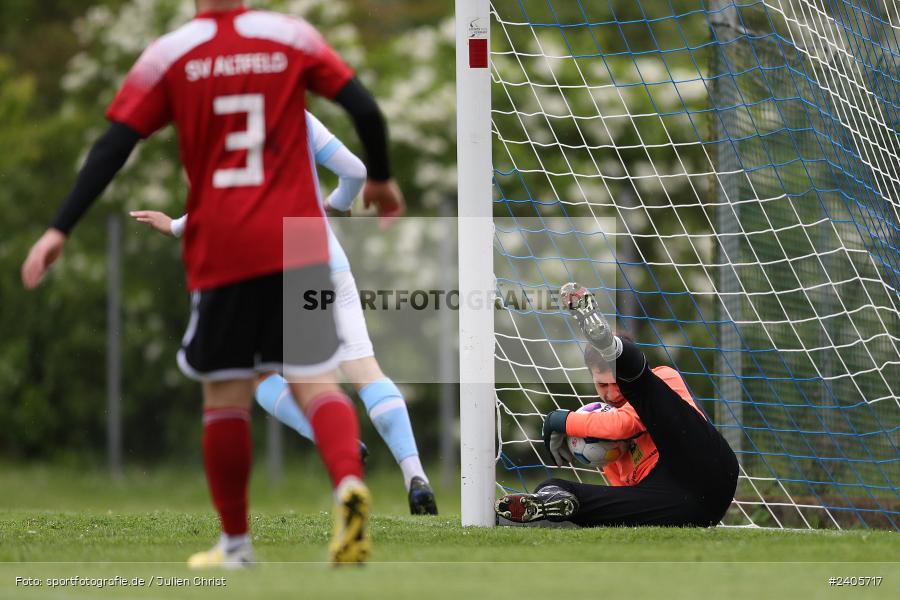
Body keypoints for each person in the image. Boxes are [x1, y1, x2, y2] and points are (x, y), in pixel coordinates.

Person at [21, 0, 405, 566]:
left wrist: (59, 228)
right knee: (318, 384)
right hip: (299, 243)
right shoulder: (291, 36)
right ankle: (348, 486)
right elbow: (366, 109)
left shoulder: (172, 53)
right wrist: (381, 178)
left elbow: (114, 146)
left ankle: (236, 546)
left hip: (223, 245)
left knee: (225, 397)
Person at [131, 110, 438, 515]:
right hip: (327, 260)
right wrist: (336, 204)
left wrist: (175, 227)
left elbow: (215, 202)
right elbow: (356, 170)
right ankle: (415, 476)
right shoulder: (300, 118)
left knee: (262, 376)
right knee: (365, 369)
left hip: (274, 270)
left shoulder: (223, 121)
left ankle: (335, 441)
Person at [495, 282, 739, 527]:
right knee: (556, 487)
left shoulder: (664, 378)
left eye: (616, 383)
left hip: (708, 467)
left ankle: (608, 344)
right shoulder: (602, 434)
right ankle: (545, 506)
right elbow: (628, 492)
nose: (612, 393)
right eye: (602, 386)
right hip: (680, 505)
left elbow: (624, 424)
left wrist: (561, 420)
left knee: (641, 386)